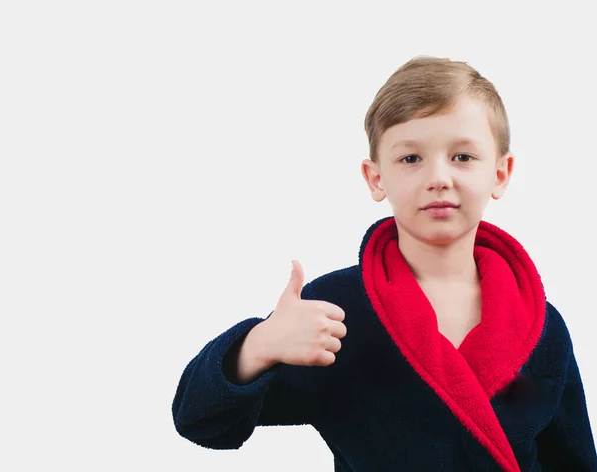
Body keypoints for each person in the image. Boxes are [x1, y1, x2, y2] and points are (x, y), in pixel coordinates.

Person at [171, 56, 597, 471]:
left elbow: (574, 460)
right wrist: (258, 345)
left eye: (463, 157)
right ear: (376, 178)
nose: (439, 177)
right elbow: (200, 421)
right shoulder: (333, 313)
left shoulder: (541, 324)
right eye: (410, 158)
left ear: (500, 174)